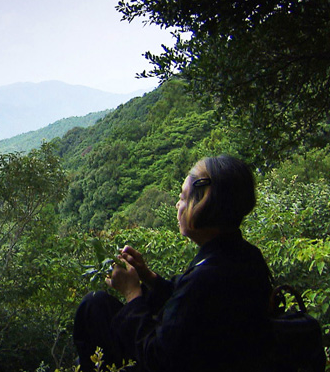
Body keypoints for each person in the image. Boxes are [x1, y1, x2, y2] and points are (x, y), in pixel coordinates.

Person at [73, 155, 274, 372]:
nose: (178, 205)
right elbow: (185, 307)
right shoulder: (242, 256)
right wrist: (148, 277)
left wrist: (132, 294)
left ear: (203, 206)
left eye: (184, 198)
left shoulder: (206, 277)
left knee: (91, 309)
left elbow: (158, 357)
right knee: (96, 304)